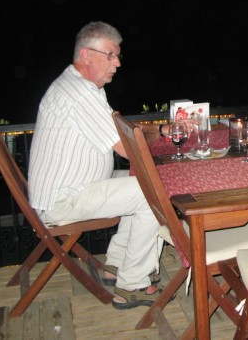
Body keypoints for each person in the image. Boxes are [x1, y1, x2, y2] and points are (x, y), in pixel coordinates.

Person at [28, 21, 195, 310]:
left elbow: (122, 132)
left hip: (74, 186)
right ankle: (133, 284)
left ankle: (116, 265)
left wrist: (162, 130)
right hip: (63, 199)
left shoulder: (80, 86)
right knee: (152, 192)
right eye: (110, 55)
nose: (117, 63)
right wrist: (157, 134)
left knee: (140, 181)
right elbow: (129, 148)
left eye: (117, 55)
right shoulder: (80, 93)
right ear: (86, 55)